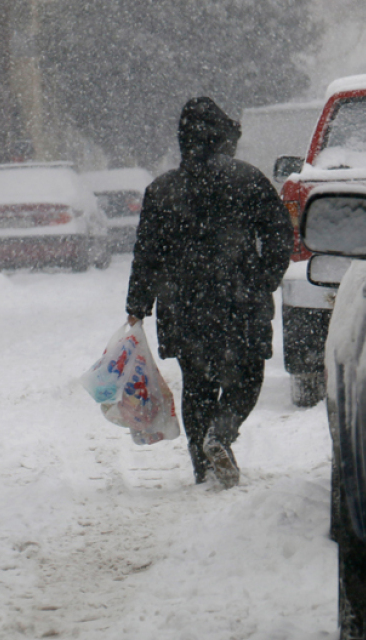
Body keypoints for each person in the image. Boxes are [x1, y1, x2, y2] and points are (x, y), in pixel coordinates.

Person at [125, 97, 292, 488]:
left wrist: (138, 304)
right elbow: (280, 233)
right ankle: (222, 430)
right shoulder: (247, 180)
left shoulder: (162, 190)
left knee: (197, 382)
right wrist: (265, 277)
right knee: (248, 374)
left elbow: (146, 253)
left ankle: (203, 466)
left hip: (183, 304)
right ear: (223, 139)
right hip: (240, 298)